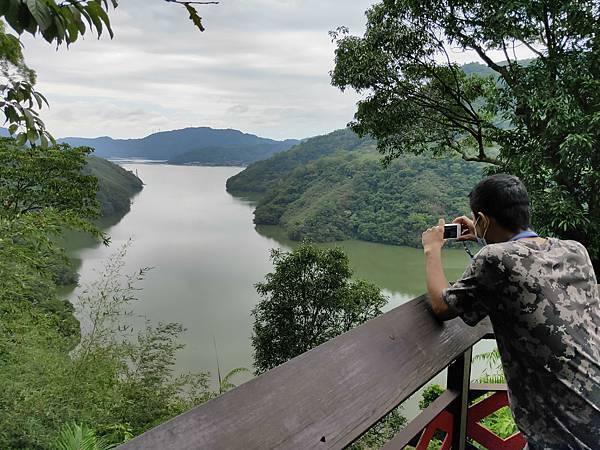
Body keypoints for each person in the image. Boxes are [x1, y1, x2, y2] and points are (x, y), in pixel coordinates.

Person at [421, 174, 599, 449]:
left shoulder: (494, 259)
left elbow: (443, 306)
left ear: (482, 219)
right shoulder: (576, 251)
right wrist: (484, 233)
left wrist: (432, 249)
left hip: (564, 430)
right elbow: (525, 262)